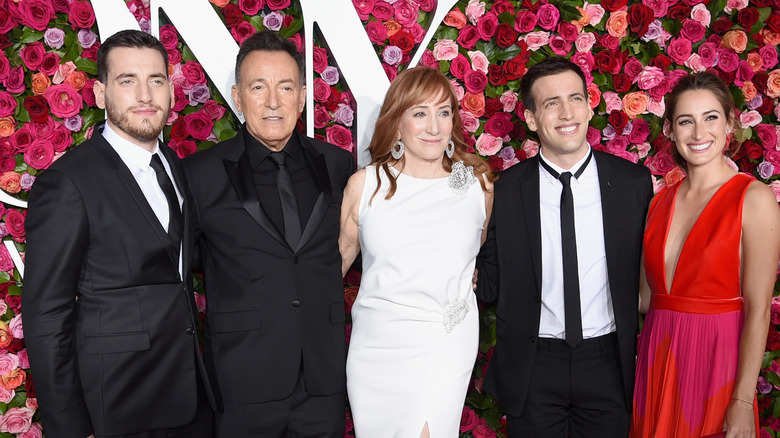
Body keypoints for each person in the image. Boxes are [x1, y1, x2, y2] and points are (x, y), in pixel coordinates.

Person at [23, 30, 214, 438]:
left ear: (171, 91)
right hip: (116, 410)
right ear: (98, 92)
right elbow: (46, 316)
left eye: (156, 80)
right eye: (127, 81)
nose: (145, 95)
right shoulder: (68, 183)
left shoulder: (175, 167)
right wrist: (71, 427)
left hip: (192, 404)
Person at [182, 30, 355, 437]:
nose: (273, 101)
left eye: (286, 87)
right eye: (258, 87)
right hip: (241, 383)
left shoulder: (337, 165)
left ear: (304, 95)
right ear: (238, 97)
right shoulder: (198, 174)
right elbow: (181, 268)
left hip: (323, 382)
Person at [476, 57, 654, 437]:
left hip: (609, 363)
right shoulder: (504, 191)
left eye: (575, 98)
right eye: (551, 103)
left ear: (590, 106)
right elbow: (487, 278)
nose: (566, 112)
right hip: (534, 364)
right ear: (530, 117)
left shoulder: (632, 183)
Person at [339, 66, 494, 437]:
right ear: (397, 120)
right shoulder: (365, 186)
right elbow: (334, 266)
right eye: (420, 113)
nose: (434, 127)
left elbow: (479, 253)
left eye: (444, 112)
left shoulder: (478, 184)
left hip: (445, 341)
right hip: (377, 345)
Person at [631, 72, 780, 438]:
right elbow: (645, 300)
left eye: (710, 117)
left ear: (730, 122)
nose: (699, 133)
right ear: (668, 129)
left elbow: (759, 310)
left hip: (715, 367)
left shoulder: (754, 198)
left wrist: (743, 402)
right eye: (686, 121)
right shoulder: (657, 204)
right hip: (658, 360)